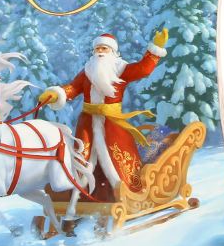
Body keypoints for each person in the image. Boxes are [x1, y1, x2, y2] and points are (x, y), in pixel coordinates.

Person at [39, 30, 168, 200]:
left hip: (112, 122)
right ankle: (79, 192)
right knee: (81, 155)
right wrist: (57, 94)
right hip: (87, 122)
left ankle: (130, 190)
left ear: (113, 51)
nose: (100, 52)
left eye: (104, 48)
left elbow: (143, 69)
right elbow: (73, 87)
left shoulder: (120, 69)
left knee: (119, 154)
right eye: (97, 48)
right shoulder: (88, 71)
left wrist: (155, 49)